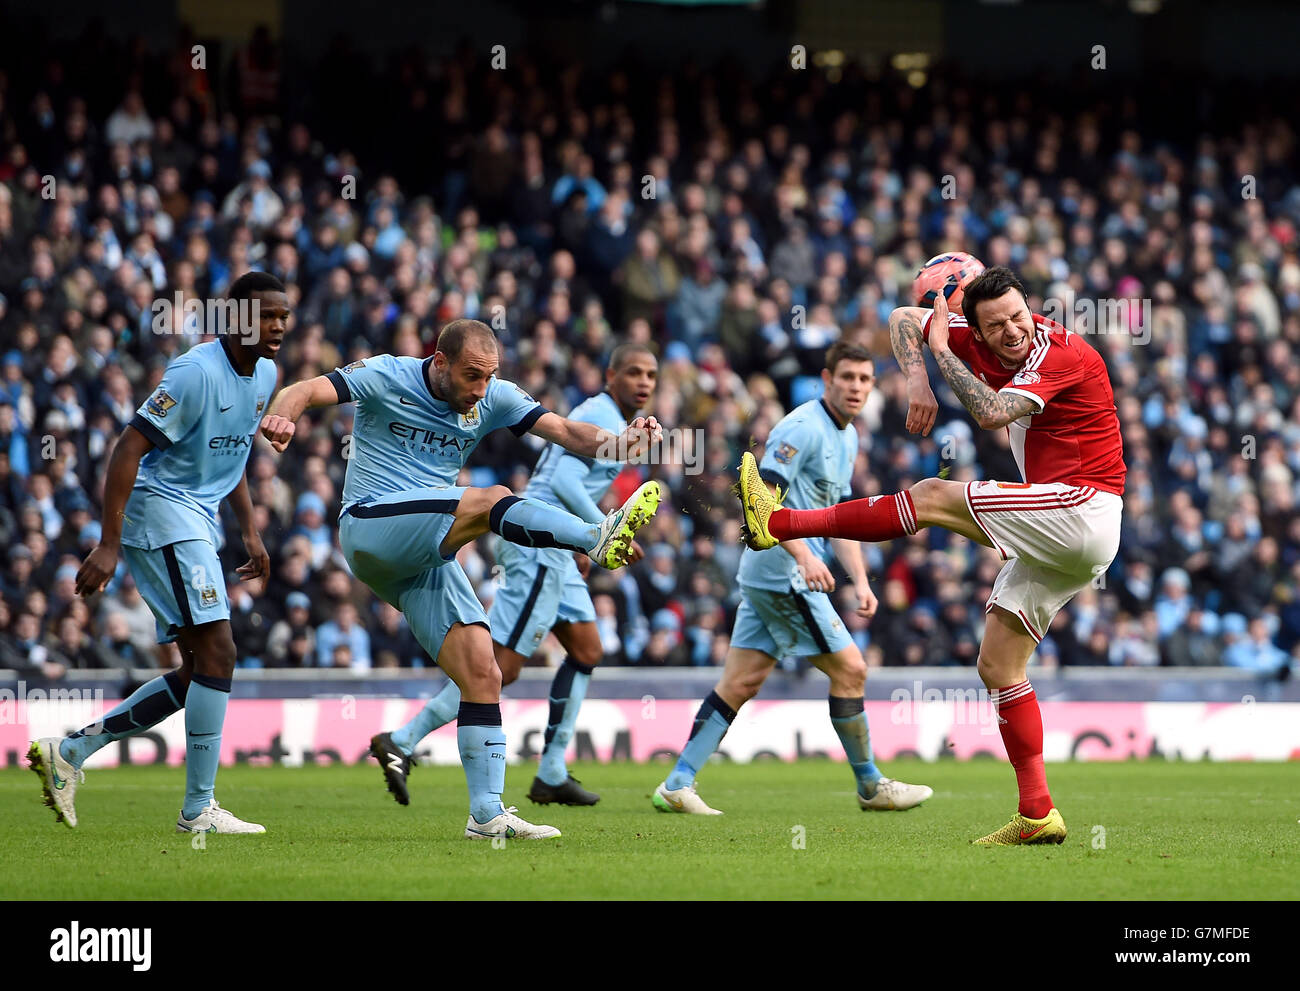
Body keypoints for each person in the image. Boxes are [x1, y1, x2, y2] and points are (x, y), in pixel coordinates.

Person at [737, 267, 1126, 845]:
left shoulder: (1060, 349)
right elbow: (901, 320)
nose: (1012, 330)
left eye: (1018, 315)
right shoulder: (975, 332)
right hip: (1066, 531)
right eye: (995, 324)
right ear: (976, 322)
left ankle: (778, 521)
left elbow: (993, 414)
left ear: (1030, 308)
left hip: (1084, 508)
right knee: (998, 665)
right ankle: (1039, 814)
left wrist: (942, 352)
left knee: (929, 495)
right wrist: (918, 381)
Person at [259, 318, 663, 839]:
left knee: (484, 673)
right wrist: (283, 414)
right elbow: (308, 388)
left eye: (488, 377)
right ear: (440, 361)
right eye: (472, 376)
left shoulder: (492, 394)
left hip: (425, 551)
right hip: (372, 525)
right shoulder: (389, 375)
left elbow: (564, 432)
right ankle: (593, 536)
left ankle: (487, 816)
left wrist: (622, 444)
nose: (480, 390)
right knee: (492, 498)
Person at [28, 272, 289, 833]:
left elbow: (235, 451)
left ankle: (69, 753)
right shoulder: (195, 372)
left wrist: (250, 530)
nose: (278, 327)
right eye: (267, 316)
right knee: (220, 653)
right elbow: (129, 447)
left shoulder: (266, 374)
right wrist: (108, 542)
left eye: (284, 317)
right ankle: (198, 810)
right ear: (238, 316)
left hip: (199, 519)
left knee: (199, 668)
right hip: (161, 510)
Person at [370, 342, 659, 808]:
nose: (643, 382)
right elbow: (563, 482)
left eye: (650, 374)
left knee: (587, 647)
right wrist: (600, 528)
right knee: (501, 667)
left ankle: (551, 771)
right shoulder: (602, 414)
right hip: (538, 542)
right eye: (633, 372)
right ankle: (402, 740)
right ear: (610, 376)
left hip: (559, 545)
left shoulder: (606, 415)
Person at [653, 341, 933, 816]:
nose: (857, 387)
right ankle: (870, 785)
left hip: (770, 574)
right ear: (827, 380)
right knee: (852, 670)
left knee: (740, 682)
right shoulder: (802, 427)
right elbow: (760, 496)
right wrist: (803, 556)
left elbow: (841, 518)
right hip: (783, 574)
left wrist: (860, 581)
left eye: (865, 379)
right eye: (847, 378)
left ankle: (677, 783)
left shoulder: (847, 436)